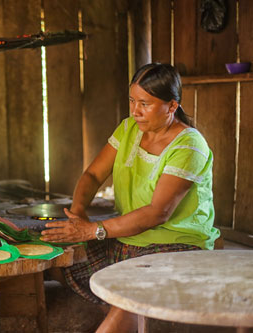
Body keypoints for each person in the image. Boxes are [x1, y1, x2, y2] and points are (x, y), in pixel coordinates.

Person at [41, 63, 220, 333]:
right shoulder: (128, 129)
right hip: (126, 239)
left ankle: (127, 315)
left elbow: (157, 212)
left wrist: (93, 230)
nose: (135, 111)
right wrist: (78, 213)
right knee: (60, 256)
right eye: (132, 100)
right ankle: (127, 315)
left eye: (145, 104)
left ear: (172, 106)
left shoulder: (189, 145)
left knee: (129, 295)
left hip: (175, 246)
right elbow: (92, 175)